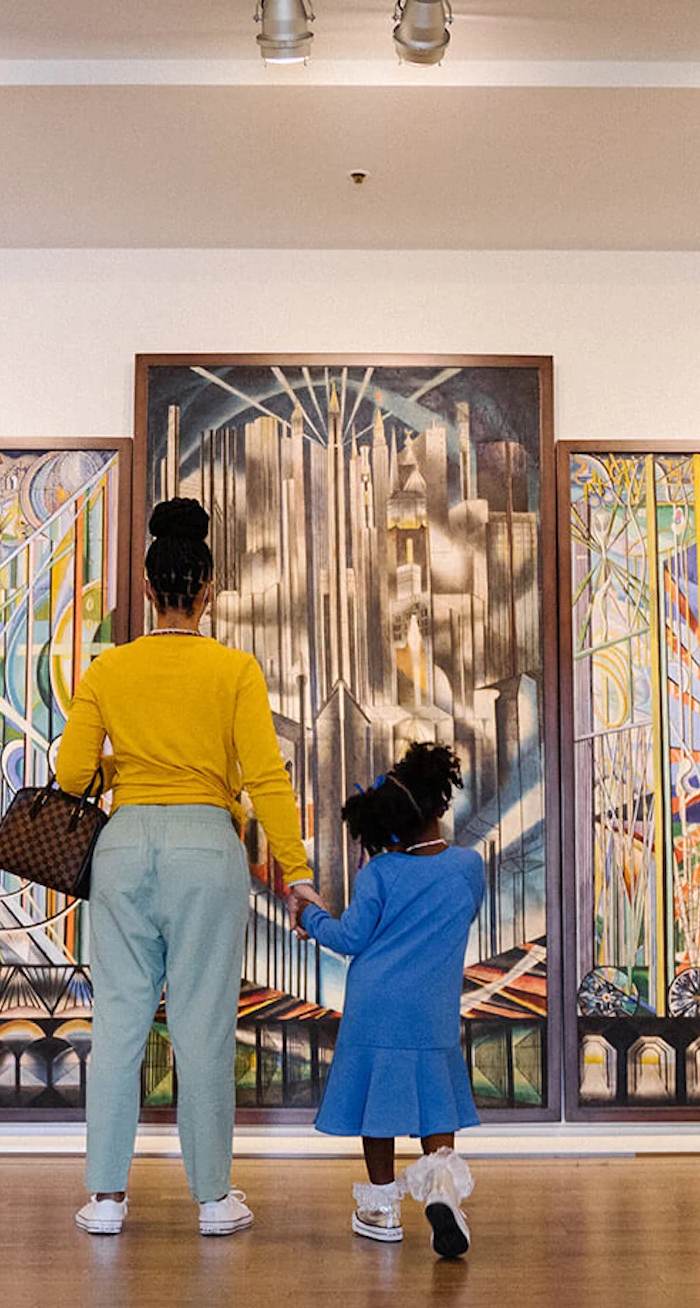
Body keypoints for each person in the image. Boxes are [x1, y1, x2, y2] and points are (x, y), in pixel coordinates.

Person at [53, 497, 312, 1238]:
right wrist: (295, 873)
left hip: (125, 845)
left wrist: (115, 773)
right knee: (202, 1025)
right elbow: (267, 780)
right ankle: (212, 1200)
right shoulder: (234, 670)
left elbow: (70, 777)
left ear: (145, 588)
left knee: (120, 1022)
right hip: (207, 848)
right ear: (207, 589)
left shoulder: (110, 669)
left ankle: (106, 1199)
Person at [288, 742, 482, 1258]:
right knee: (435, 1101)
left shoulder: (378, 873)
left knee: (378, 1109)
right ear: (441, 807)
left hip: (375, 1008)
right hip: (433, 1011)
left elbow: (350, 938)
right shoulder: (468, 867)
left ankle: (380, 1210)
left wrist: (308, 915)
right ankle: (442, 1187)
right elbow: (462, 918)